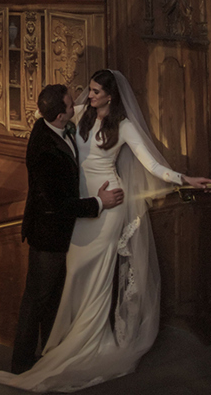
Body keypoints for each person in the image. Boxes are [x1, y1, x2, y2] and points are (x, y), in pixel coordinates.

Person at [0, 70, 211, 392]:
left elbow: (151, 164)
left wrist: (184, 179)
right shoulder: (79, 115)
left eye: (95, 92)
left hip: (108, 207)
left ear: (110, 96)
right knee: (73, 275)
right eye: (88, 92)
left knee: (93, 279)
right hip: (81, 209)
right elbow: (49, 127)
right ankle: (56, 346)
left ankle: (87, 343)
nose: (87, 96)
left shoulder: (123, 126)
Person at [9, 83, 125, 376]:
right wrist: (100, 201)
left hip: (62, 235)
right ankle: (21, 364)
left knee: (51, 301)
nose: (77, 106)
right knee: (36, 300)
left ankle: (48, 355)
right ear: (60, 116)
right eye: (71, 104)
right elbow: (56, 205)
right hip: (48, 237)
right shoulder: (45, 149)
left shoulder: (52, 124)